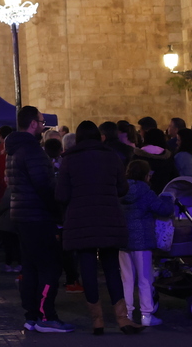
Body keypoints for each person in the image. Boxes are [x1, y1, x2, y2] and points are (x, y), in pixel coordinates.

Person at [55, 121, 137, 335]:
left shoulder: (69, 160)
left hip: (81, 221)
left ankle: (97, 320)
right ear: (98, 136)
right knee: (111, 267)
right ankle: (122, 318)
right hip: (109, 217)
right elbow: (122, 188)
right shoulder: (111, 156)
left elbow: (61, 195)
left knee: (88, 268)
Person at [6, 106, 71, 333]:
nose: (44, 126)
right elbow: (43, 185)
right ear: (32, 123)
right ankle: (45, 316)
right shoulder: (32, 150)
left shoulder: (14, 149)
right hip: (37, 215)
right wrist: (57, 211)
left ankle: (32, 315)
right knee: (49, 267)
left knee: (31, 267)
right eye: (42, 122)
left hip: (22, 215)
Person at [120, 159, 173, 330]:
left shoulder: (120, 191)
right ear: (145, 175)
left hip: (123, 239)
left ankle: (127, 314)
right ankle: (146, 315)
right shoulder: (146, 192)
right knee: (144, 279)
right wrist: (170, 201)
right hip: (142, 240)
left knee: (126, 279)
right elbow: (164, 210)